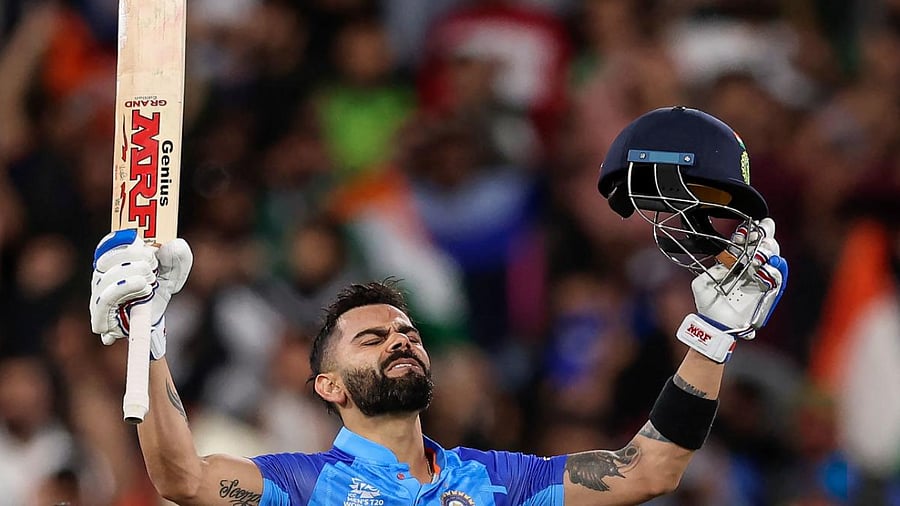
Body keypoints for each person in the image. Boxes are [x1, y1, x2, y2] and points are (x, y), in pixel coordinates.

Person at [88, 109, 788, 505]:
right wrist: (146, 338)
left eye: (406, 332)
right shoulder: (300, 485)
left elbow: (651, 469)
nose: (399, 339)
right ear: (328, 386)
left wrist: (715, 335)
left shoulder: (497, 482)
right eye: (370, 339)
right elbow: (181, 477)